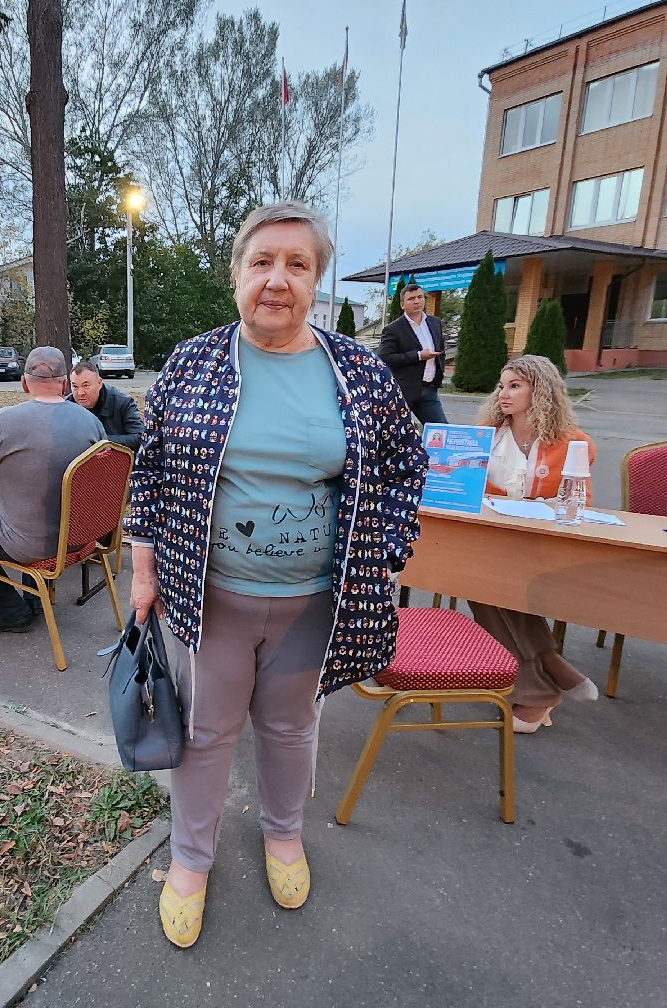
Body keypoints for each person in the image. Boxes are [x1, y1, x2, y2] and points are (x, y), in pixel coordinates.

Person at [126, 202, 427, 948]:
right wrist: (142, 568)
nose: (277, 280)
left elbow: (402, 467)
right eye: (262, 262)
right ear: (237, 275)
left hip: (314, 601)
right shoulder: (194, 362)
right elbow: (151, 471)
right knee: (205, 731)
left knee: (291, 728)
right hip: (209, 597)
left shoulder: (356, 370)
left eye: (297, 264)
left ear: (316, 281)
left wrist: (381, 553)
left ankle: (283, 835)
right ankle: (191, 859)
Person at [468, 354, 599, 733]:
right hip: (493, 540)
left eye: (515, 386)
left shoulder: (573, 443)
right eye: (502, 385)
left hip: (544, 545)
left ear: (539, 392)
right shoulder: (486, 436)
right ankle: (546, 671)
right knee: (477, 579)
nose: (503, 394)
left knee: (490, 582)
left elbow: (579, 502)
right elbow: (461, 487)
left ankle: (538, 684)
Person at [0, 347, 105, 633]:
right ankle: (35, 600)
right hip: (79, 538)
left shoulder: (5, 421)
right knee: (36, 515)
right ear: (64, 383)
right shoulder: (90, 422)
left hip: (26, 542)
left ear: (24, 382)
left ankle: (11, 611)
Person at [377, 281, 448, 425]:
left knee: (441, 431)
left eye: (420, 297)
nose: (417, 301)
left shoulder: (435, 323)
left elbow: (441, 351)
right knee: (396, 432)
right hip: (403, 390)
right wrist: (418, 356)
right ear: (402, 304)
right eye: (411, 299)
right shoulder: (393, 329)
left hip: (429, 389)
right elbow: (385, 357)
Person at [68, 360, 144, 451]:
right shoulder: (66, 405)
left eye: (86, 385)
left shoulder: (123, 402)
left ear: (99, 383)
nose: (80, 393)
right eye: (75, 387)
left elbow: (139, 438)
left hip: (115, 461)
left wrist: (100, 442)